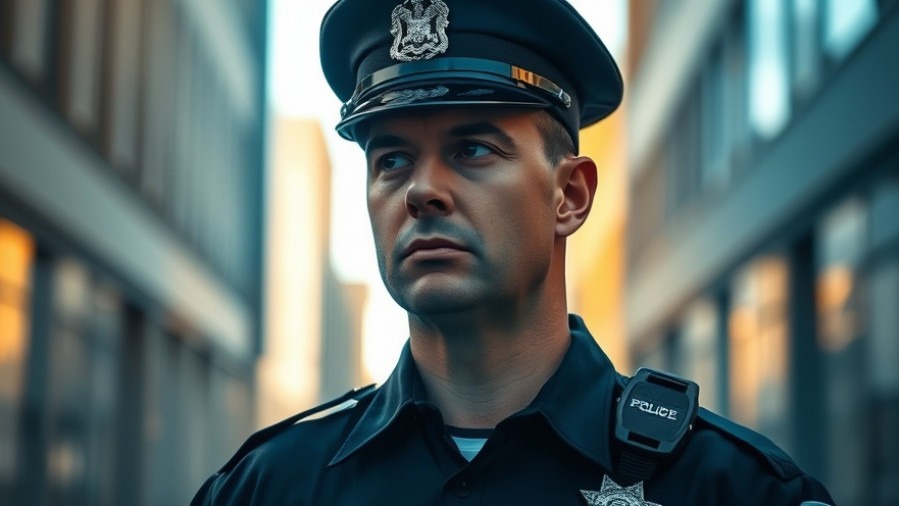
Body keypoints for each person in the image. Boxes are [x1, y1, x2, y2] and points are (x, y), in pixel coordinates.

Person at [192, 0, 835, 504]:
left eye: (473, 149)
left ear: (570, 197)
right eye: (391, 159)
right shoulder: (269, 487)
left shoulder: (727, 489)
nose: (421, 191)